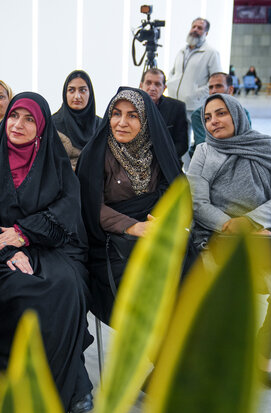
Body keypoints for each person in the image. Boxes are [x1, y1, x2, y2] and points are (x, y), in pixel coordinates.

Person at [0, 92, 94, 413]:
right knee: (23, 292)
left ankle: (66, 386)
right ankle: (25, 388)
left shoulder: (53, 162)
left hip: (49, 246)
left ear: (43, 127)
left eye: (29, 119)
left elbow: (67, 208)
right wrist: (7, 248)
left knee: (67, 288)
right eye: (13, 116)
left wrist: (24, 233)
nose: (18, 125)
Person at [187, 93, 271, 387]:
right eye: (207, 118)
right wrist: (236, 227)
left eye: (220, 113)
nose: (214, 121)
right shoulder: (204, 153)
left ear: (236, 114)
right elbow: (198, 204)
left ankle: (263, 354)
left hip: (266, 237)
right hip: (220, 241)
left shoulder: (265, 147)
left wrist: (253, 222)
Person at [77, 87, 182, 323]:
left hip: (158, 235)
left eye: (132, 115)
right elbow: (90, 205)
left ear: (146, 120)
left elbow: (176, 193)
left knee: (188, 274)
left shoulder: (159, 151)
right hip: (109, 243)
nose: (121, 122)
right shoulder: (95, 154)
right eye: (116, 114)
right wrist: (131, 226)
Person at [166, 18, 222, 125]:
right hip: (175, 102)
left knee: (194, 138)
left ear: (206, 33)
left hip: (193, 106)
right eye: (193, 27)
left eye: (200, 28)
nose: (195, 30)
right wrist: (170, 84)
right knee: (175, 137)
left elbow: (216, 80)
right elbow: (173, 72)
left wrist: (196, 95)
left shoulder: (211, 53)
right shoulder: (182, 51)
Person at [190, 72, 252, 156]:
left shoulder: (242, 112)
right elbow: (203, 144)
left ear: (230, 90)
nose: (213, 91)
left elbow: (246, 140)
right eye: (211, 87)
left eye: (218, 86)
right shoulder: (198, 114)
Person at [53, 70, 102, 170]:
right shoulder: (52, 125)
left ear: (90, 93)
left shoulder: (101, 126)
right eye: (71, 90)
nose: (77, 96)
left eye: (82, 90)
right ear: (65, 93)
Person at [139, 68, 189, 164]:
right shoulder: (131, 107)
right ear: (141, 86)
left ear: (164, 88)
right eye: (148, 83)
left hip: (167, 163)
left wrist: (161, 159)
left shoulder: (177, 108)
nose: (152, 88)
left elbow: (182, 144)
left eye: (157, 84)